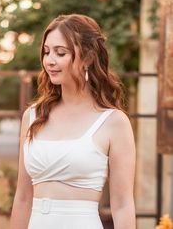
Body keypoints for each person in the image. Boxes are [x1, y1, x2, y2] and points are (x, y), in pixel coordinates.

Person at [10, 14, 136, 229]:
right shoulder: (33, 116)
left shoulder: (114, 122)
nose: (50, 60)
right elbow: (23, 197)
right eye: (47, 52)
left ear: (87, 57)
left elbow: (123, 205)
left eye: (61, 53)